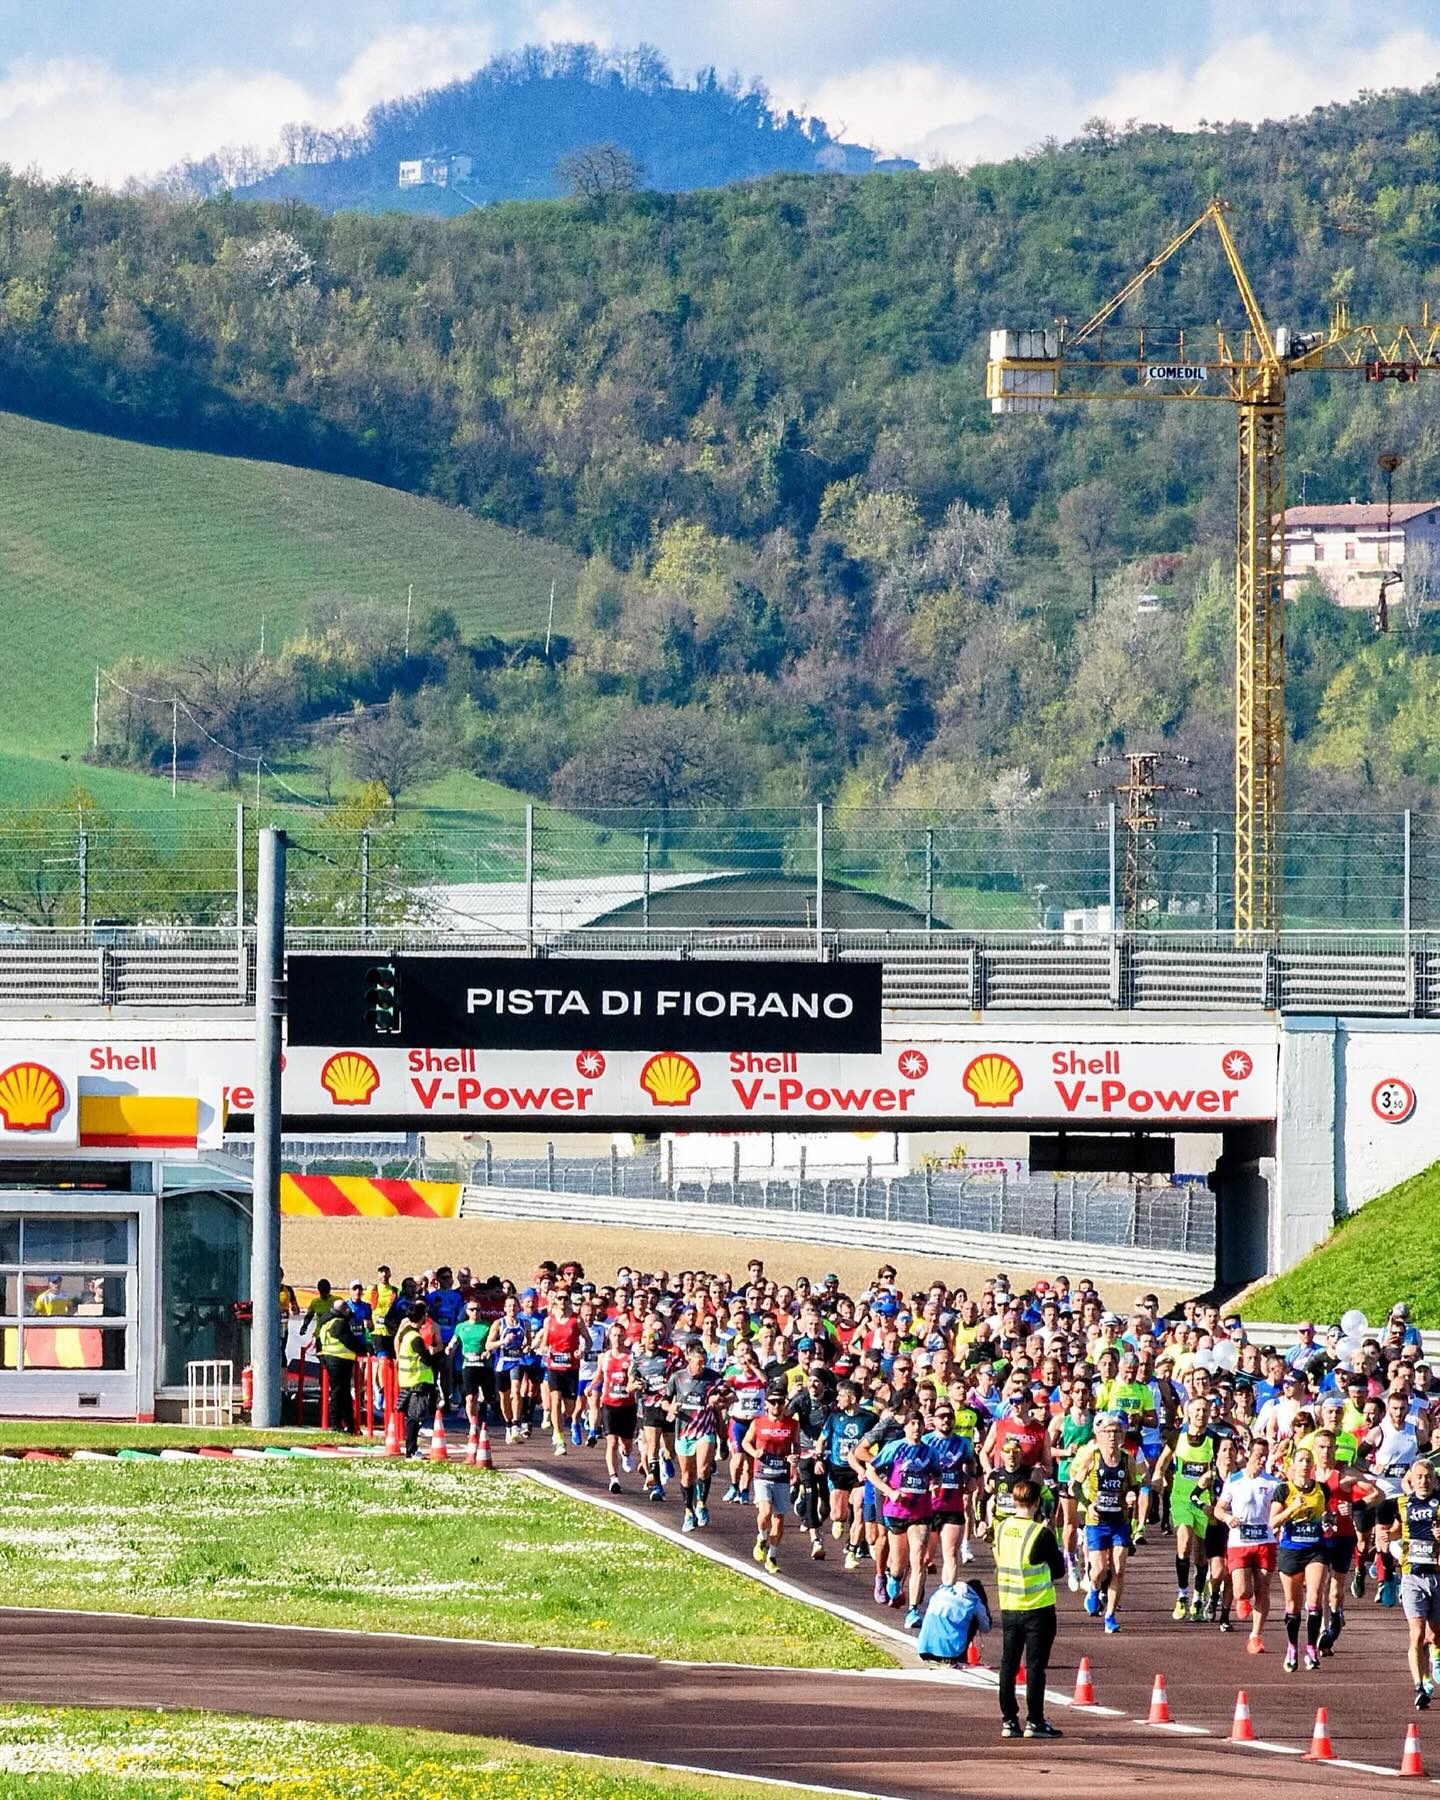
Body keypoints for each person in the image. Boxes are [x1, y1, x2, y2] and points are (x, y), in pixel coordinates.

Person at [994, 1477, 1066, 1740]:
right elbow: (1059, 1570)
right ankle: (1035, 1720)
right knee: (1035, 1667)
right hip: (1038, 1607)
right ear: (1036, 1503)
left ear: (1014, 1501)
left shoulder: (1002, 1528)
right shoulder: (1040, 1533)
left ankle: (1009, 1720)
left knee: (1008, 1665)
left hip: (1009, 1605)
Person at [1070, 1412, 1145, 1634]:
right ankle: (1094, 1589)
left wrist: (1131, 1494)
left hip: (1119, 1521)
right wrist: (1087, 1504)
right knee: (1100, 1569)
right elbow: (1075, 1486)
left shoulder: (1127, 1459)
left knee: (1119, 1569)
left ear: (1122, 1435)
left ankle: (1110, 1616)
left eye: (1116, 1432)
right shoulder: (1092, 1457)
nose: (1112, 1436)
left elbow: (1135, 1485)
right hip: (1097, 1521)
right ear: (1099, 1434)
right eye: (1108, 1432)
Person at [1376, 1458, 1440, 1709]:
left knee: (1434, 1635)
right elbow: (1396, 1530)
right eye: (1419, 1477)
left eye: (1428, 1477)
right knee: (1417, 1633)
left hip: (1437, 1575)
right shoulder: (1402, 1504)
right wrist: (1386, 1535)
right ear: (1411, 1480)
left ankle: (1434, 1657)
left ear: (1434, 1480)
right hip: (1411, 1575)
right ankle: (1419, 1685)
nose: (1423, 1481)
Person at [868, 1409, 940, 1628]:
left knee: (918, 1559)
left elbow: (936, 1475)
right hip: (897, 1511)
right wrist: (889, 1492)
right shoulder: (895, 1447)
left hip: (921, 1512)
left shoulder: (930, 1452)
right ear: (905, 1427)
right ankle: (894, 1578)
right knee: (898, 1565)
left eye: (919, 1424)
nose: (916, 1428)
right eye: (912, 1424)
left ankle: (913, 1610)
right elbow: (871, 1471)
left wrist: (935, 1485)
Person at [1270, 1443, 1330, 1672]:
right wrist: (1291, 1508)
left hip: (1316, 1549)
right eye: (1301, 1460)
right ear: (1293, 1465)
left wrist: (1330, 1520)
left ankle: (1311, 1648)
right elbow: (1273, 1522)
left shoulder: (1322, 1489)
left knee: (1314, 1598)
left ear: (1313, 1465)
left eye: (1308, 1461)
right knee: (1292, 1604)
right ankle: (1292, 1647)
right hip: (1291, 1550)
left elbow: (1327, 1515)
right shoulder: (1283, 1490)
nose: (1305, 1465)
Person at [665, 1343, 728, 1533]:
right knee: (687, 1474)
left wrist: (719, 1400)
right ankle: (688, 1511)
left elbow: (731, 1395)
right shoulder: (678, 1377)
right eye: (698, 1362)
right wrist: (670, 1408)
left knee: (703, 1469)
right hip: (684, 1431)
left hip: (705, 1430)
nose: (701, 1366)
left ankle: (701, 1504)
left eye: (703, 1362)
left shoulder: (712, 1377)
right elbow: (664, 1401)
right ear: (689, 1360)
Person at [742, 1382, 800, 1573]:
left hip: (782, 1475)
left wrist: (794, 1458)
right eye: (773, 1402)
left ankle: (772, 1556)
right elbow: (746, 1442)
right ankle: (761, 1537)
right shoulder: (758, 1422)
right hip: (763, 1474)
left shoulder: (792, 1424)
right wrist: (755, 1453)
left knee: (779, 1518)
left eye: (780, 1402)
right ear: (766, 1403)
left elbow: (796, 1445)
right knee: (765, 1512)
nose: (776, 1406)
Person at [394, 1301, 442, 1458]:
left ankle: (412, 1449)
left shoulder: (405, 1334)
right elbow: (427, 1359)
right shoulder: (415, 1338)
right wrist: (433, 1355)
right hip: (417, 1381)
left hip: (407, 1379)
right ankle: (411, 1450)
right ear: (422, 1318)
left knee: (412, 1417)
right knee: (414, 1418)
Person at [315, 1297, 367, 1433]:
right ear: (342, 1310)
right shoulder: (340, 1323)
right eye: (346, 1308)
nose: (349, 1310)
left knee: (342, 1393)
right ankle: (336, 1425)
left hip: (331, 1359)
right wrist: (364, 1350)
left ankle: (349, 1425)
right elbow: (349, 1341)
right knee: (339, 1393)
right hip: (339, 1361)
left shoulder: (326, 1321)